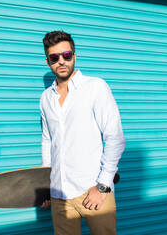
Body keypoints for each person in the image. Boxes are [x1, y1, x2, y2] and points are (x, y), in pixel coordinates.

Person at [40, 31, 126, 235]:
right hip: (59, 194)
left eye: (66, 55)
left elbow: (115, 138)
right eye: (54, 57)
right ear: (47, 61)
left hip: (93, 191)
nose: (61, 61)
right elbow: (47, 141)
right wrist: (45, 185)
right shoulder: (45, 98)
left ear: (74, 56)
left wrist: (103, 187)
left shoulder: (95, 87)